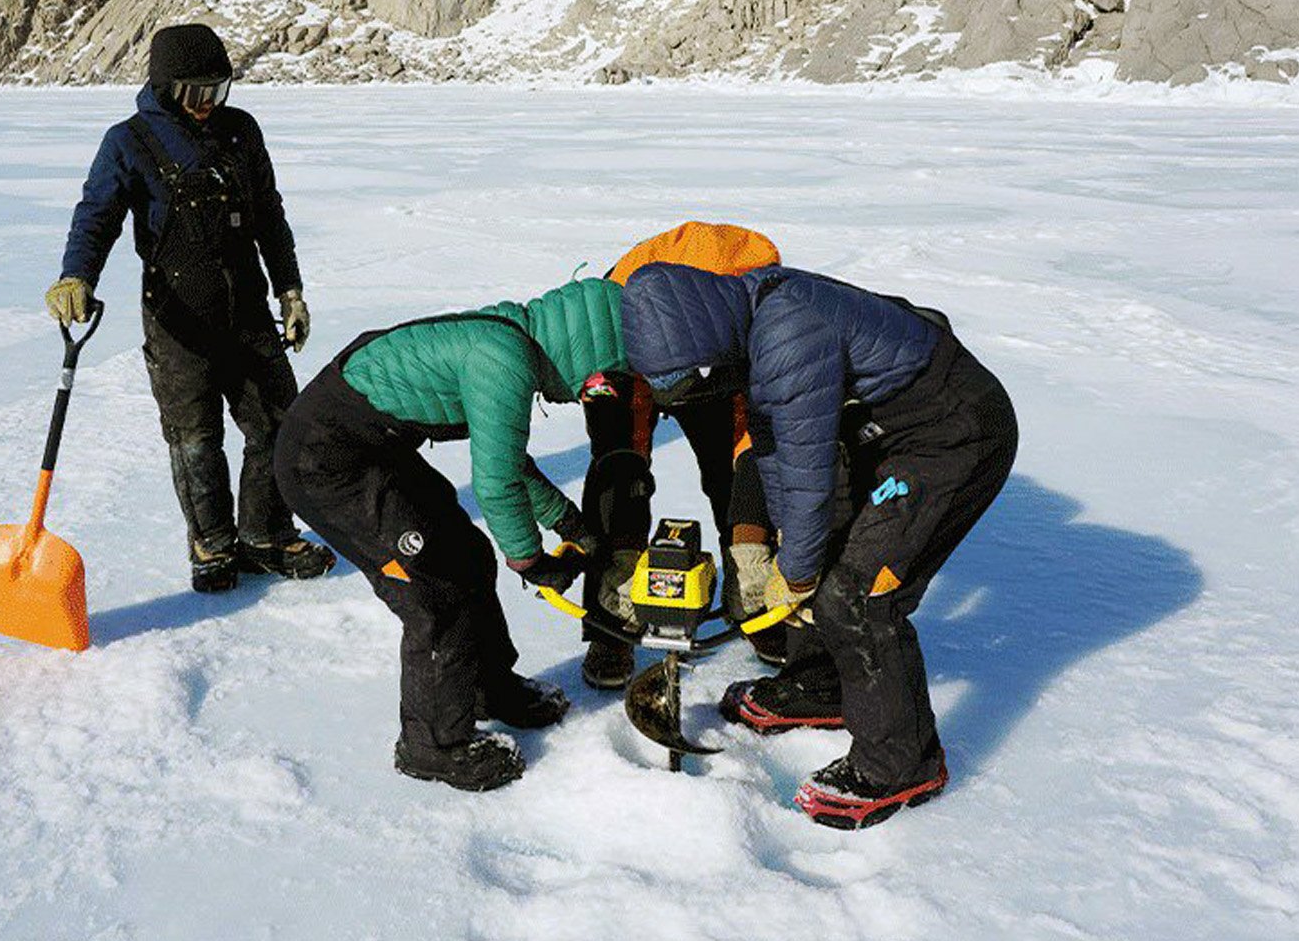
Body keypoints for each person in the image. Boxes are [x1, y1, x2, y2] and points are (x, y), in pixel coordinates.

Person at [620, 262, 1017, 829]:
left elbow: (808, 468)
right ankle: (824, 687)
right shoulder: (752, 330)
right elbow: (780, 455)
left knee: (858, 596)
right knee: (815, 551)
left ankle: (900, 764)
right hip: (889, 436)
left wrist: (800, 572)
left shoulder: (786, 333)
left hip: (952, 436)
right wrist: (788, 550)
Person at [274, 278, 625, 791]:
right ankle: (432, 745)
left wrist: (569, 524)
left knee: (466, 553)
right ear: (586, 350)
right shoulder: (502, 360)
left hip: (375, 449)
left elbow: (504, 458)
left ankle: (489, 688)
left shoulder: (509, 345)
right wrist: (531, 559)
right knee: (433, 591)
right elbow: (496, 481)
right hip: (327, 463)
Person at [44, 23, 332, 593]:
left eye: (217, 91)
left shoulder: (241, 131)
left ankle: (266, 537)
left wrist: (290, 290)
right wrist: (76, 275)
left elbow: (269, 215)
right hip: (179, 317)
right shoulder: (128, 141)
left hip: (247, 309)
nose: (207, 106)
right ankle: (213, 545)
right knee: (194, 436)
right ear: (164, 87)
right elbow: (96, 214)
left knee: (279, 422)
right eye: (195, 94)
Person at [575, 222, 785, 690]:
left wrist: (753, 543)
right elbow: (621, 453)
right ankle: (613, 618)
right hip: (628, 357)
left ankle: (751, 594)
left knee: (738, 467)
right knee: (618, 469)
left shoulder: (754, 309)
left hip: (714, 356)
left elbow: (752, 440)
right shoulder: (611, 323)